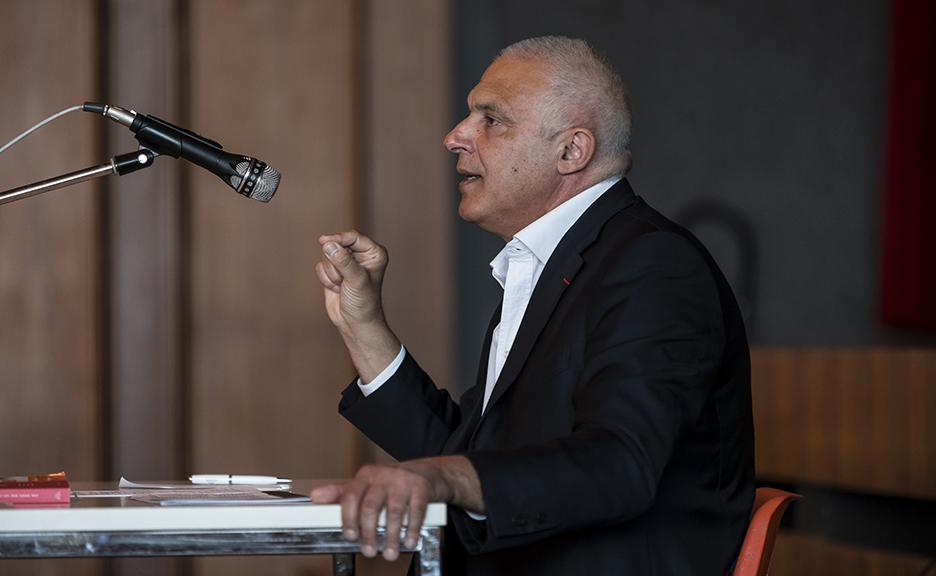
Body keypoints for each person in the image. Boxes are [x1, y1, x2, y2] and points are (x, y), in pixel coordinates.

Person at [312, 36, 755, 575]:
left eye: (491, 119)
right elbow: (466, 457)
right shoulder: (552, 260)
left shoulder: (653, 264)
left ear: (571, 151)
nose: (455, 137)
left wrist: (442, 477)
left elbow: (620, 462)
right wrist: (363, 326)